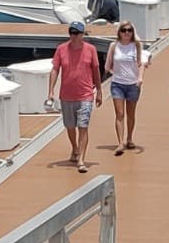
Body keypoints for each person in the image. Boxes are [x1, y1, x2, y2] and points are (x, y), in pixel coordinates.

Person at [47, 20, 102, 173]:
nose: (74, 35)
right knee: (70, 127)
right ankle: (75, 148)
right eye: (71, 32)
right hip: (66, 96)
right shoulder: (61, 49)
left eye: (77, 33)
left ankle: (81, 160)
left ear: (82, 34)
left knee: (83, 127)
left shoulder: (91, 49)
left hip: (85, 95)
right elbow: (55, 70)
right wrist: (50, 91)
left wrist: (99, 91)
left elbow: (96, 71)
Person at [106, 20, 146, 154]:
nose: (127, 33)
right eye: (124, 30)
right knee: (120, 114)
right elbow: (107, 66)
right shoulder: (113, 46)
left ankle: (129, 138)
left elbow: (141, 63)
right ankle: (120, 142)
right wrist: (116, 73)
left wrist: (140, 78)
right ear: (119, 32)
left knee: (131, 114)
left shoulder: (137, 45)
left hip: (133, 84)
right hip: (117, 84)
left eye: (129, 30)